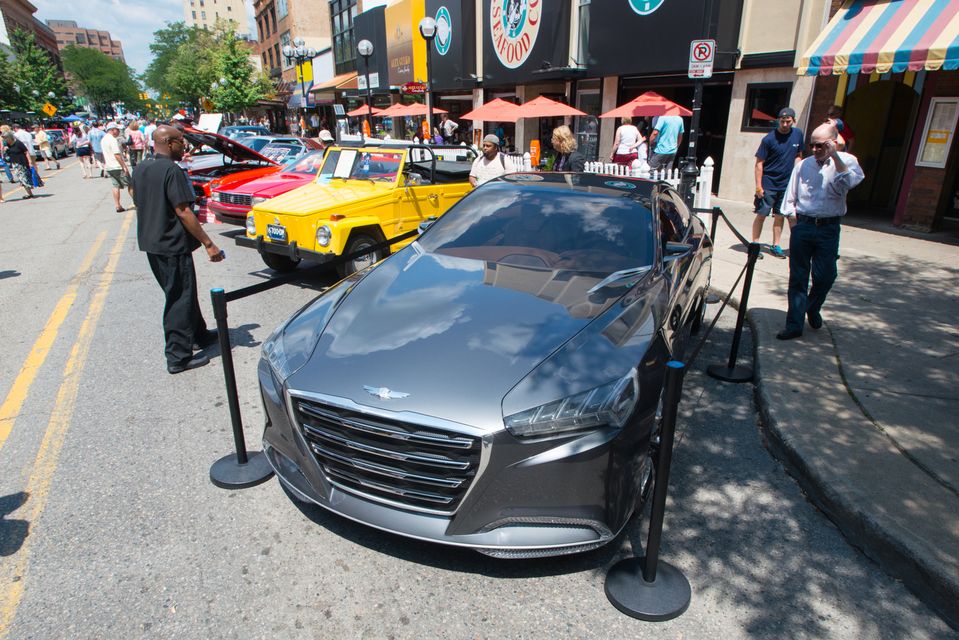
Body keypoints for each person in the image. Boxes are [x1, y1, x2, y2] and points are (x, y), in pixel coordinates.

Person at [133, 124, 224, 374]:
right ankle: (178, 356)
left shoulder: (142, 168)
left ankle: (199, 335)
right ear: (170, 143)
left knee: (184, 291)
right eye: (182, 142)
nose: (184, 147)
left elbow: (135, 198)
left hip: (153, 243)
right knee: (178, 298)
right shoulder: (171, 170)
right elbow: (183, 211)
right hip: (171, 245)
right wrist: (208, 243)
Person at [776, 123, 864, 341]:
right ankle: (794, 324)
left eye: (821, 145)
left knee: (825, 276)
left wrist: (835, 157)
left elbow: (850, 182)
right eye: (812, 145)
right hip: (804, 225)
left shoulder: (847, 161)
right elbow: (790, 198)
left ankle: (811, 308)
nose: (815, 149)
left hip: (829, 227)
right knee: (798, 277)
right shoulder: (803, 165)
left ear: (833, 143)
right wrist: (794, 226)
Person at [753, 107, 804, 258]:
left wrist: (797, 174)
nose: (785, 124)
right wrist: (758, 186)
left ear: (793, 121)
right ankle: (755, 245)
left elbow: (798, 155)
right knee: (761, 214)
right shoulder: (769, 139)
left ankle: (776, 245)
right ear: (778, 121)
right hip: (769, 183)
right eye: (782, 121)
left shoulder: (798, 135)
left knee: (779, 215)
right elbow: (759, 163)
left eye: (788, 121)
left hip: (786, 183)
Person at [102, 122, 133, 212]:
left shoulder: (104, 139)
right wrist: (124, 166)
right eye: (117, 129)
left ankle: (117, 205)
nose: (119, 131)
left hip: (110, 166)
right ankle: (137, 203)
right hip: (117, 166)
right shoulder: (112, 140)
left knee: (115, 186)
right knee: (130, 185)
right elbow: (117, 155)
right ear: (112, 130)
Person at [1, 131, 35, 199]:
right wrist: (4, 149)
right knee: (21, 178)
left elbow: (26, 152)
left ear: (10, 137)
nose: (5, 140)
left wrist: (30, 161)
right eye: (4, 138)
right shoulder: (7, 145)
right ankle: (29, 193)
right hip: (14, 163)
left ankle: (29, 193)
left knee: (23, 178)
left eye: (6, 138)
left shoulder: (18, 143)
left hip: (21, 162)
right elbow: (4, 154)